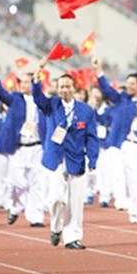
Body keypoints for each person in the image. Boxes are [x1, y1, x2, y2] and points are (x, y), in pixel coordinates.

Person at [32, 62, 99, 250]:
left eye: (67, 87)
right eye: (61, 87)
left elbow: (92, 137)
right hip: (55, 158)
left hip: (76, 159)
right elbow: (38, 97)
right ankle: (56, 227)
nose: (64, 90)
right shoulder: (51, 105)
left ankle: (72, 238)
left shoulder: (85, 111)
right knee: (56, 198)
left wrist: (93, 159)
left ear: (74, 88)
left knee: (75, 202)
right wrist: (36, 81)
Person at [0, 61, 46, 227]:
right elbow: (0, 93)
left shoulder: (42, 101)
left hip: (37, 146)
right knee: (16, 182)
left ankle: (36, 217)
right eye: (22, 82)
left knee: (37, 182)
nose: (24, 85)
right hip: (19, 148)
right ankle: (15, 206)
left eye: (27, 82)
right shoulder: (15, 99)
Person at [93, 57, 137, 224]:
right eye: (128, 83)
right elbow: (107, 89)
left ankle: (135, 209)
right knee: (134, 180)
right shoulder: (122, 99)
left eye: (133, 84)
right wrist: (99, 71)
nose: (129, 86)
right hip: (128, 144)